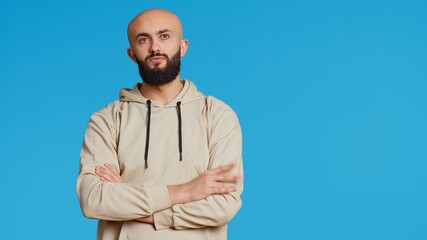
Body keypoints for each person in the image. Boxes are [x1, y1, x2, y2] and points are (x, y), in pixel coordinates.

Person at [76, 8, 243, 240]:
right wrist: (186, 192)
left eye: (164, 36)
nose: (155, 47)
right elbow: (94, 200)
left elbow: (224, 205)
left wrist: (133, 203)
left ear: (182, 46)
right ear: (132, 54)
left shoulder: (217, 115)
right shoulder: (105, 120)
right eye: (143, 39)